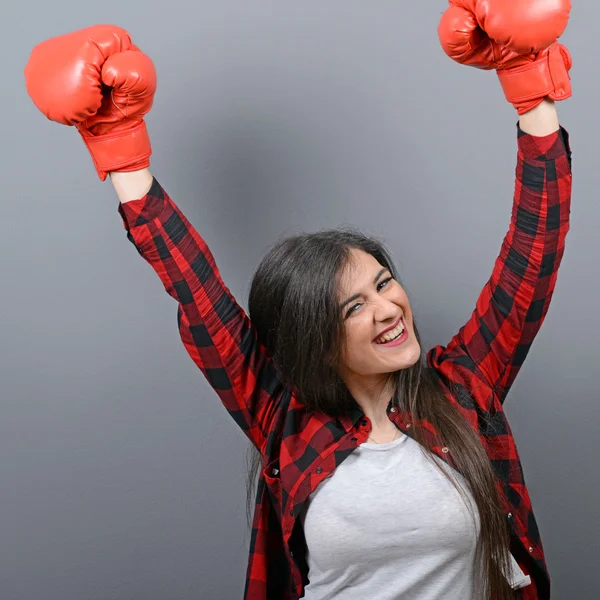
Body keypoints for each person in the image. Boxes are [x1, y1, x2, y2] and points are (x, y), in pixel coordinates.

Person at [23, 1, 572, 598]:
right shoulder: (281, 419)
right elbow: (195, 290)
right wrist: (116, 142)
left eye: (383, 283)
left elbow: (533, 249)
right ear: (313, 339)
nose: (388, 309)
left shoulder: (466, 388)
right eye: (352, 307)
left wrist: (529, 82)